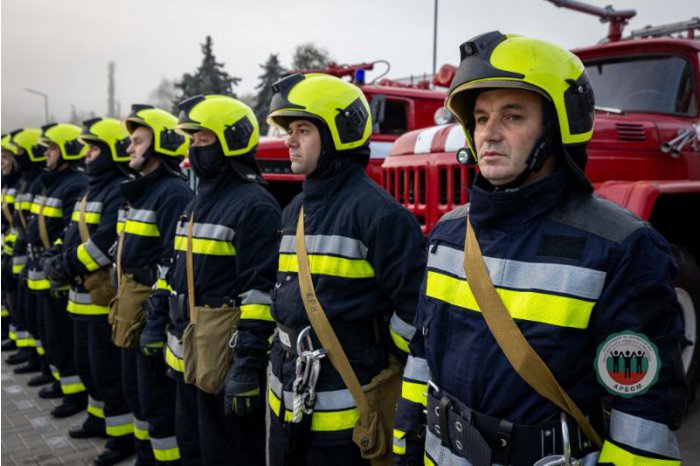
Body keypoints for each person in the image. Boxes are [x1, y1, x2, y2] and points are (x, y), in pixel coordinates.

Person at [393, 31, 687, 466]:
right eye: (479, 118)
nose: (488, 134)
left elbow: (642, 416)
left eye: (511, 116)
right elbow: (421, 356)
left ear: (556, 126)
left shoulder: (621, 248)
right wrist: (406, 445)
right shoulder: (449, 234)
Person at [266, 73, 426, 466]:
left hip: (347, 420)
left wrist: (374, 356)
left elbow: (415, 312)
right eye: (290, 130)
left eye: (303, 129)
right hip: (285, 403)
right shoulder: (295, 210)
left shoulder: (381, 216)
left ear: (340, 132)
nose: (289, 140)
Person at [168, 94, 280, 465]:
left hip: (227, 354)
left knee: (228, 453)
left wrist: (247, 365)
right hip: (192, 347)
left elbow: (261, 293)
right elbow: (176, 275)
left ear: (232, 140)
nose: (195, 148)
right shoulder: (196, 203)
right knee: (193, 446)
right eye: (192, 140)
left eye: (204, 140)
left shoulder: (255, 205)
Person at [43, 117, 136, 465]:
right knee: (89, 366)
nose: (88, 155)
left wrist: (66, 264)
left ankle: (120, 437)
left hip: (101, 302)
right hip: (80, 300)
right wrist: (58, 254)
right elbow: (71, 230)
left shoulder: (116, 189)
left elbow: (105, 241)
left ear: (112, 151)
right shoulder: (91, 187)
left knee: (108, 372)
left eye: (95, 148)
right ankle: (98, 419)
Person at [117, 104, 192, 465]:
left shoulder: (172, 193)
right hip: (136, 311)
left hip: (153, 316)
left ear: (162, 144)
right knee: (137, 395)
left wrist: (156, 322)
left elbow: (172, 264)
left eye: (137, 141)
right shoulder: (144, 190)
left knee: (157, 401)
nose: (129, 147)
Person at [3, 128, 48, 371]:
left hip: (31, 260)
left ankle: (34, 356)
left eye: (13, 154)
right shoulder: (22, 182)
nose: (5, 161)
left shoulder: (37, 182)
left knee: (30, 313)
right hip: (20, 260)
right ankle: (27, 351)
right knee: (20, 309)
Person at [2, 134, 21, 350]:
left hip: (18, 254)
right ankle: (11, 334)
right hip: (8, 251)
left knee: (18, 303)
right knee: (8, 299)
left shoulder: (20, 185)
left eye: (5, 157)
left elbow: (21, 226)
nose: (1, 161)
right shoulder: (6, 183)